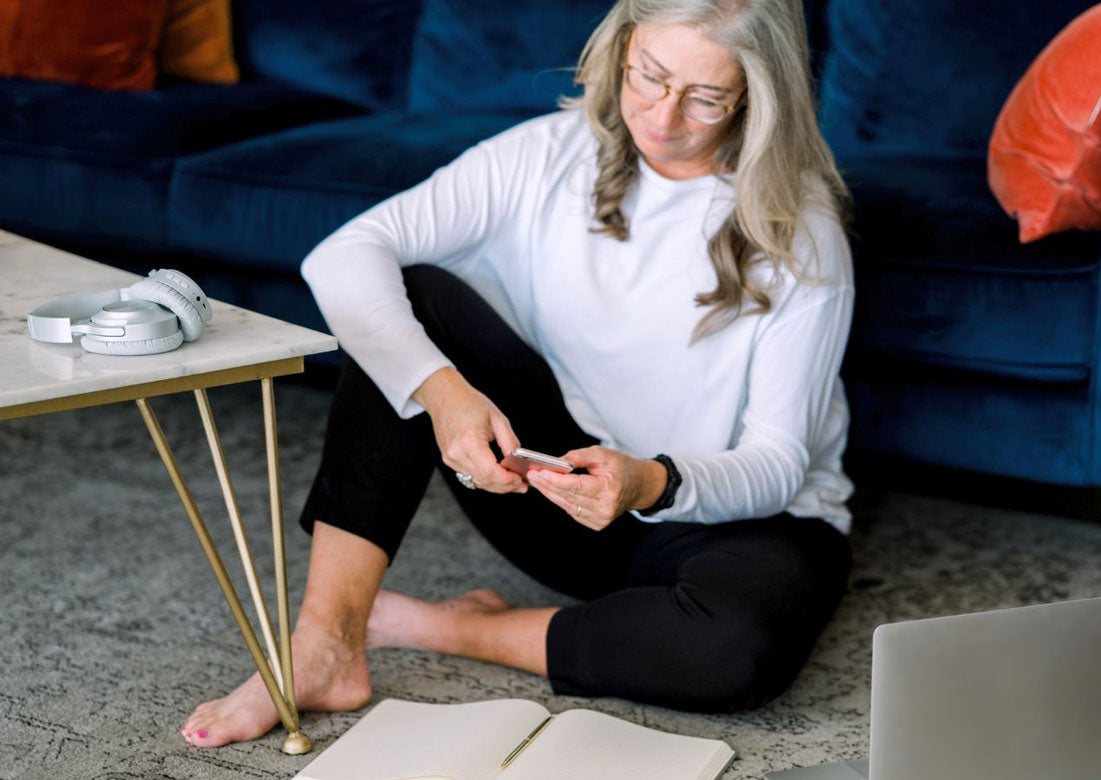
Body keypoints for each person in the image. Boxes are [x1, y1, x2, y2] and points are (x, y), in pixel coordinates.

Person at [180, 0, 855, 748]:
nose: (662, 120)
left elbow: (777, 464)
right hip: (562, 499)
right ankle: (326, 643)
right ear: (623, 47)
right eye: (649, 78)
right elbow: (340, 256)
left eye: (704, 99)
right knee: (408, 302)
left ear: (757, 100)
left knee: (734, 654)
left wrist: (647, 481)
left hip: (732, 515)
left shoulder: (804, 230)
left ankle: (461, 629)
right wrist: (443, 393)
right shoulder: (548, 154)